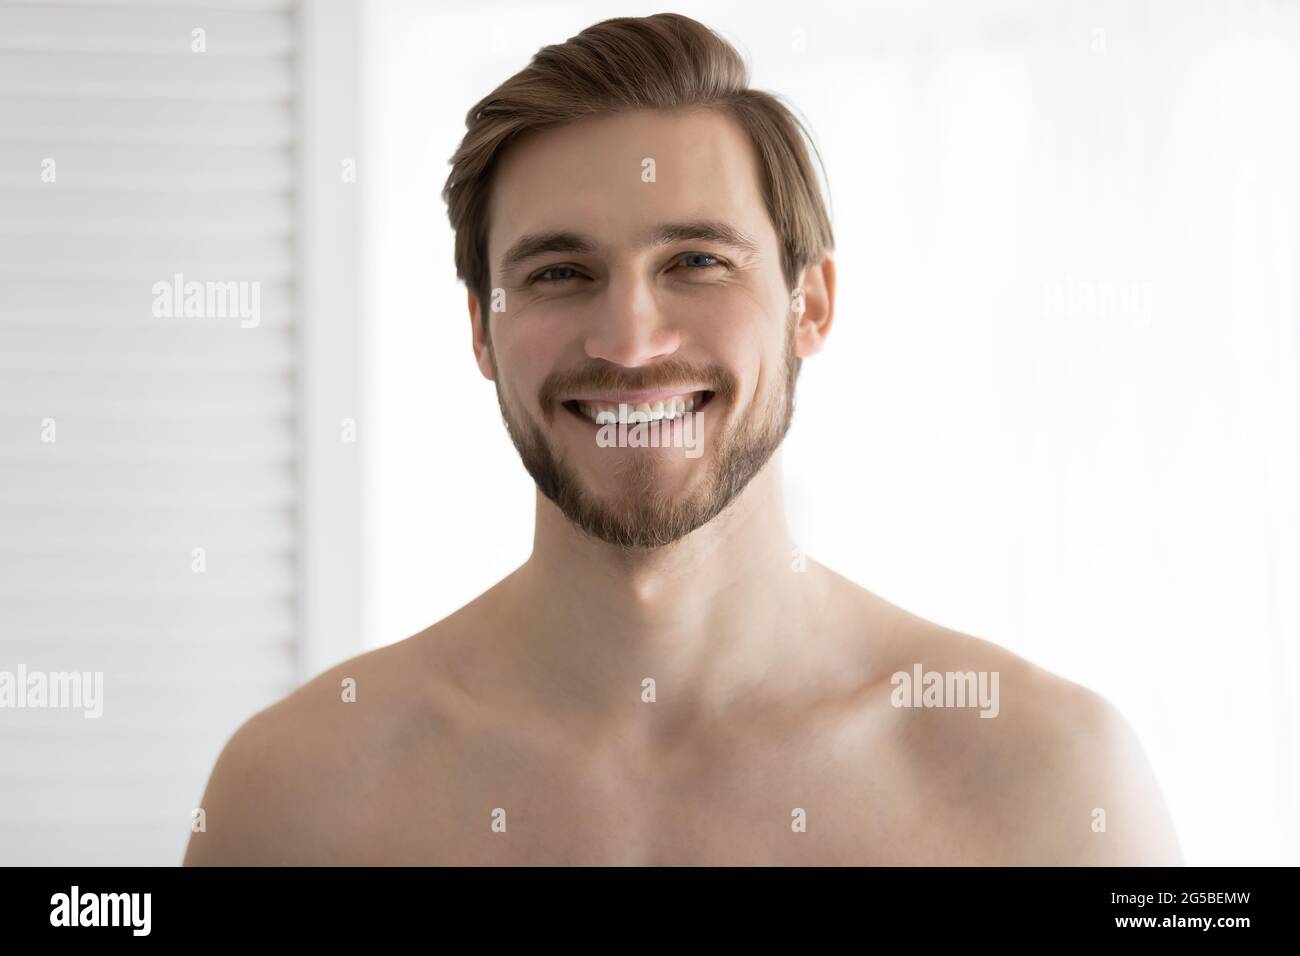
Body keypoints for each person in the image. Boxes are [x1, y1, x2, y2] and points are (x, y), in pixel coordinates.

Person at [184, 13, 1181, 865]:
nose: (629, 340)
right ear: (481, 330)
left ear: (810, 303)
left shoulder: (1052, 783)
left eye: (695, 260)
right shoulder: (291, 795)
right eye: (558, 273)